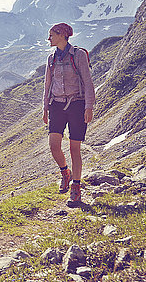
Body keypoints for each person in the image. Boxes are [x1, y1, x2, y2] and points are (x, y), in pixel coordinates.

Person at [42, 23, 95, 205]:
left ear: (62, 35)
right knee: (53, 145)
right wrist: (45, 108)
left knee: (74, 148)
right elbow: (47, 85)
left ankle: (76, 188)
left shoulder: (78, 55)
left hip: (77, 105)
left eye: (51, 35)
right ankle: (65, 172)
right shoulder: (51, 59)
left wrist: (89, 107)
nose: (48, 39)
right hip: (56, 104)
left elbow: (88, 82)